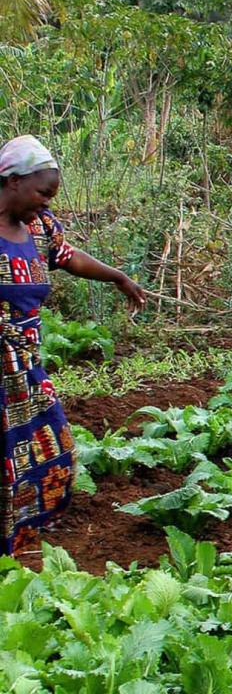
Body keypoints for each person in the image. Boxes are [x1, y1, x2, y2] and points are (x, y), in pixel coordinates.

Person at [0, 135, 146, 556]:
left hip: (25, 367)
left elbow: (68, 256)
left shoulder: (39, 228)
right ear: (12, 181)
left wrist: (118, 276)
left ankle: (20, 544)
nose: (47, 203)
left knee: (52, 451)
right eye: (42, 192)